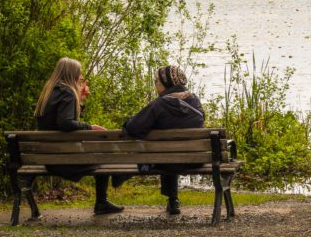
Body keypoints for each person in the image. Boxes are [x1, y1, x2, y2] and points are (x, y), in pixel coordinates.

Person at [35, 57, 124, 215]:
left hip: (48, 158)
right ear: (72, 75)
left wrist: (80, 100)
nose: (81, 78)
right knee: (105, 159)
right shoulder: (67, 93)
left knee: (102, 157)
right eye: (80, 75)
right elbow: (66, 124)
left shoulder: (49, 92)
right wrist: (90, 127)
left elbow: (63, 122)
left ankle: (109, 192)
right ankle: (103, 200)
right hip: (64, 160)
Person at [123, 65, 204, 214]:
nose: (155, 86)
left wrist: (127, 122)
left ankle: (173, 200)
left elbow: (133, 128)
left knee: (167, 154)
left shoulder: (159, 104)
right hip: (193, 159)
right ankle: (173, 201)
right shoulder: (195, 101)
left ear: (166, 84)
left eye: (156, 82)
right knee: (172, 152)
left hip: (165, 161)